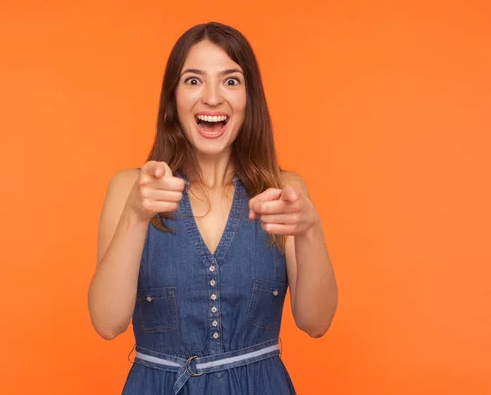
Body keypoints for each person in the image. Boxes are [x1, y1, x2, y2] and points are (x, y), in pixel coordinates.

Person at [87, 21, 338, 394]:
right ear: (173, 97)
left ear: (249, 98)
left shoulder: (284, 191)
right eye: (193, 80)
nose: (213, 98)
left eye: (230, 81)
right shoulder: (130, 189)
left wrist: (310, 230)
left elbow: (316, 323)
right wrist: (136, 216)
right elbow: (107, 323)